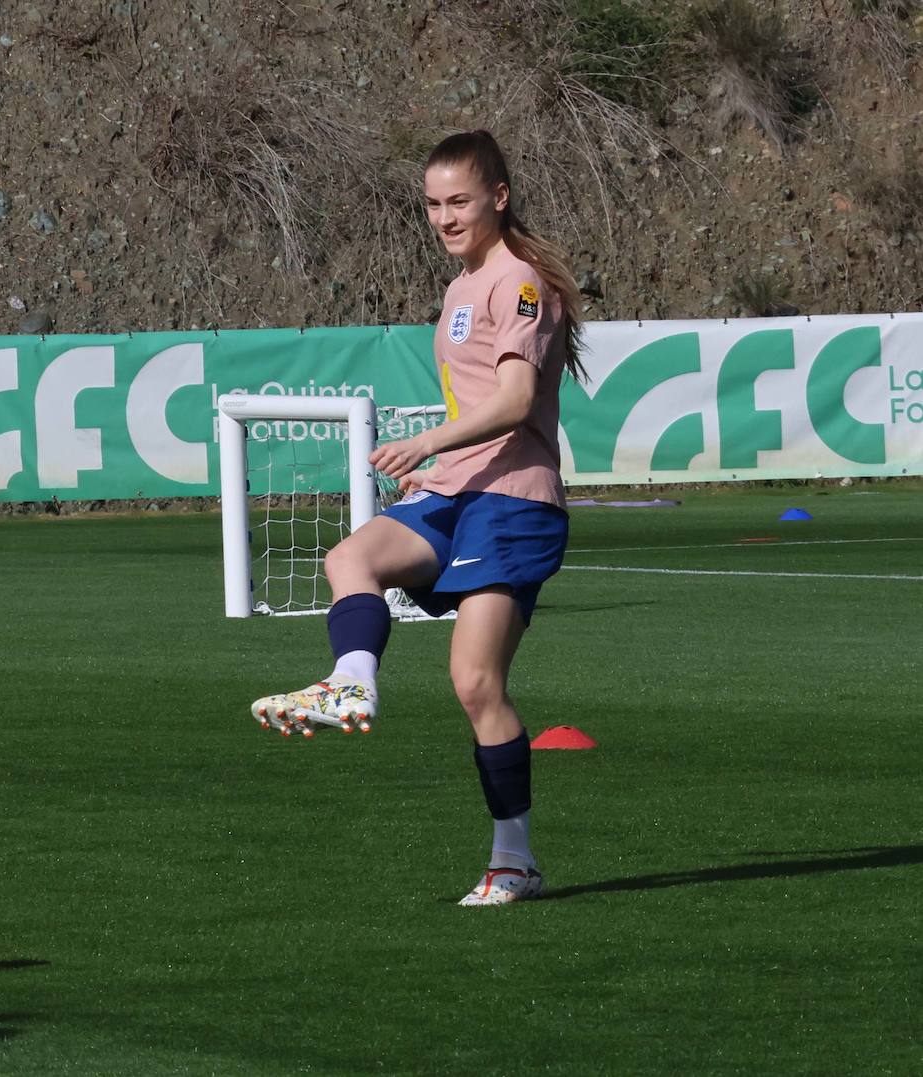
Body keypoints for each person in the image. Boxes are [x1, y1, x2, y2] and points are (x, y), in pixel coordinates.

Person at [251, 130, 586, 906]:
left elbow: (512, 402)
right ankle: (352, 684)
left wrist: (428, 441)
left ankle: (515, 860)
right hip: (459, 490)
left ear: (498, 197)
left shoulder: (522, 285)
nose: (444, 217)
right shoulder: (461, 287)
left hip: (513, 503)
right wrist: (443, 465)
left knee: (474, 682)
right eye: (432, 204)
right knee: (350, 558)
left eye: (459, 201)